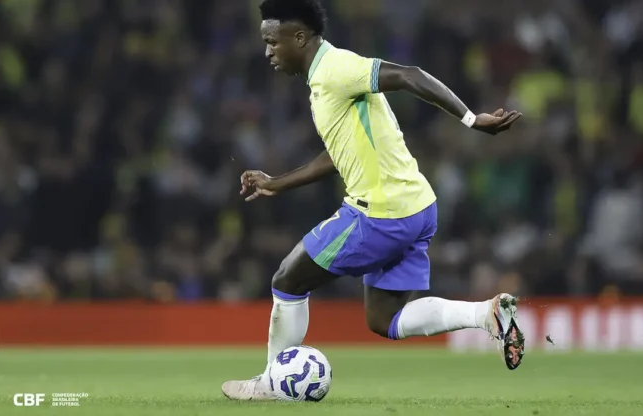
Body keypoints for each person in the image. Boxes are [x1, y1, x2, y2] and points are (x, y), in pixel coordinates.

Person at [222, 0, 525, 401]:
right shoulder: (324, 81)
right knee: (385, 319)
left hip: (379, 214)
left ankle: (271, 385)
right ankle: (486, 314)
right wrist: (277, 183)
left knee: (287, 280)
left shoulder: (335, 68)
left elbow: (409, 75)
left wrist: (471, 119)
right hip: (416, 207)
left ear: (300, 37)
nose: (267, 52)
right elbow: (338, 153)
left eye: (272, 42)